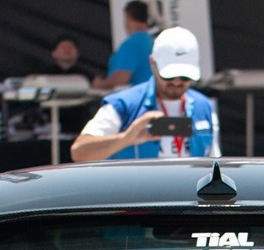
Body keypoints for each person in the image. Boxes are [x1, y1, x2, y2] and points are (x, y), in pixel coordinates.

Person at [71, 27, 218, 163]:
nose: (177, 82)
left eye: (185, 76)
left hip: (188, 190)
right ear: (153, 63)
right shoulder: (123, 104)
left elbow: (215, 164)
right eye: (169, 75)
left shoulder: (203, 106)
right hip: (138, 191)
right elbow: (79, 152)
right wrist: (126, 138)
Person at [35, 33, 98, 136]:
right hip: (52, 126)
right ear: (54, 53)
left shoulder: (85, 75)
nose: (67, 50)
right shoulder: (45, 75)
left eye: (71, 47)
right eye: (63, 47)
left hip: (79, 126)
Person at [92, 1, 154, 92]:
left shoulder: (132, 44)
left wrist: (100, 83)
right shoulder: (152, 42)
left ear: (127, 17)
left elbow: (121, 79)